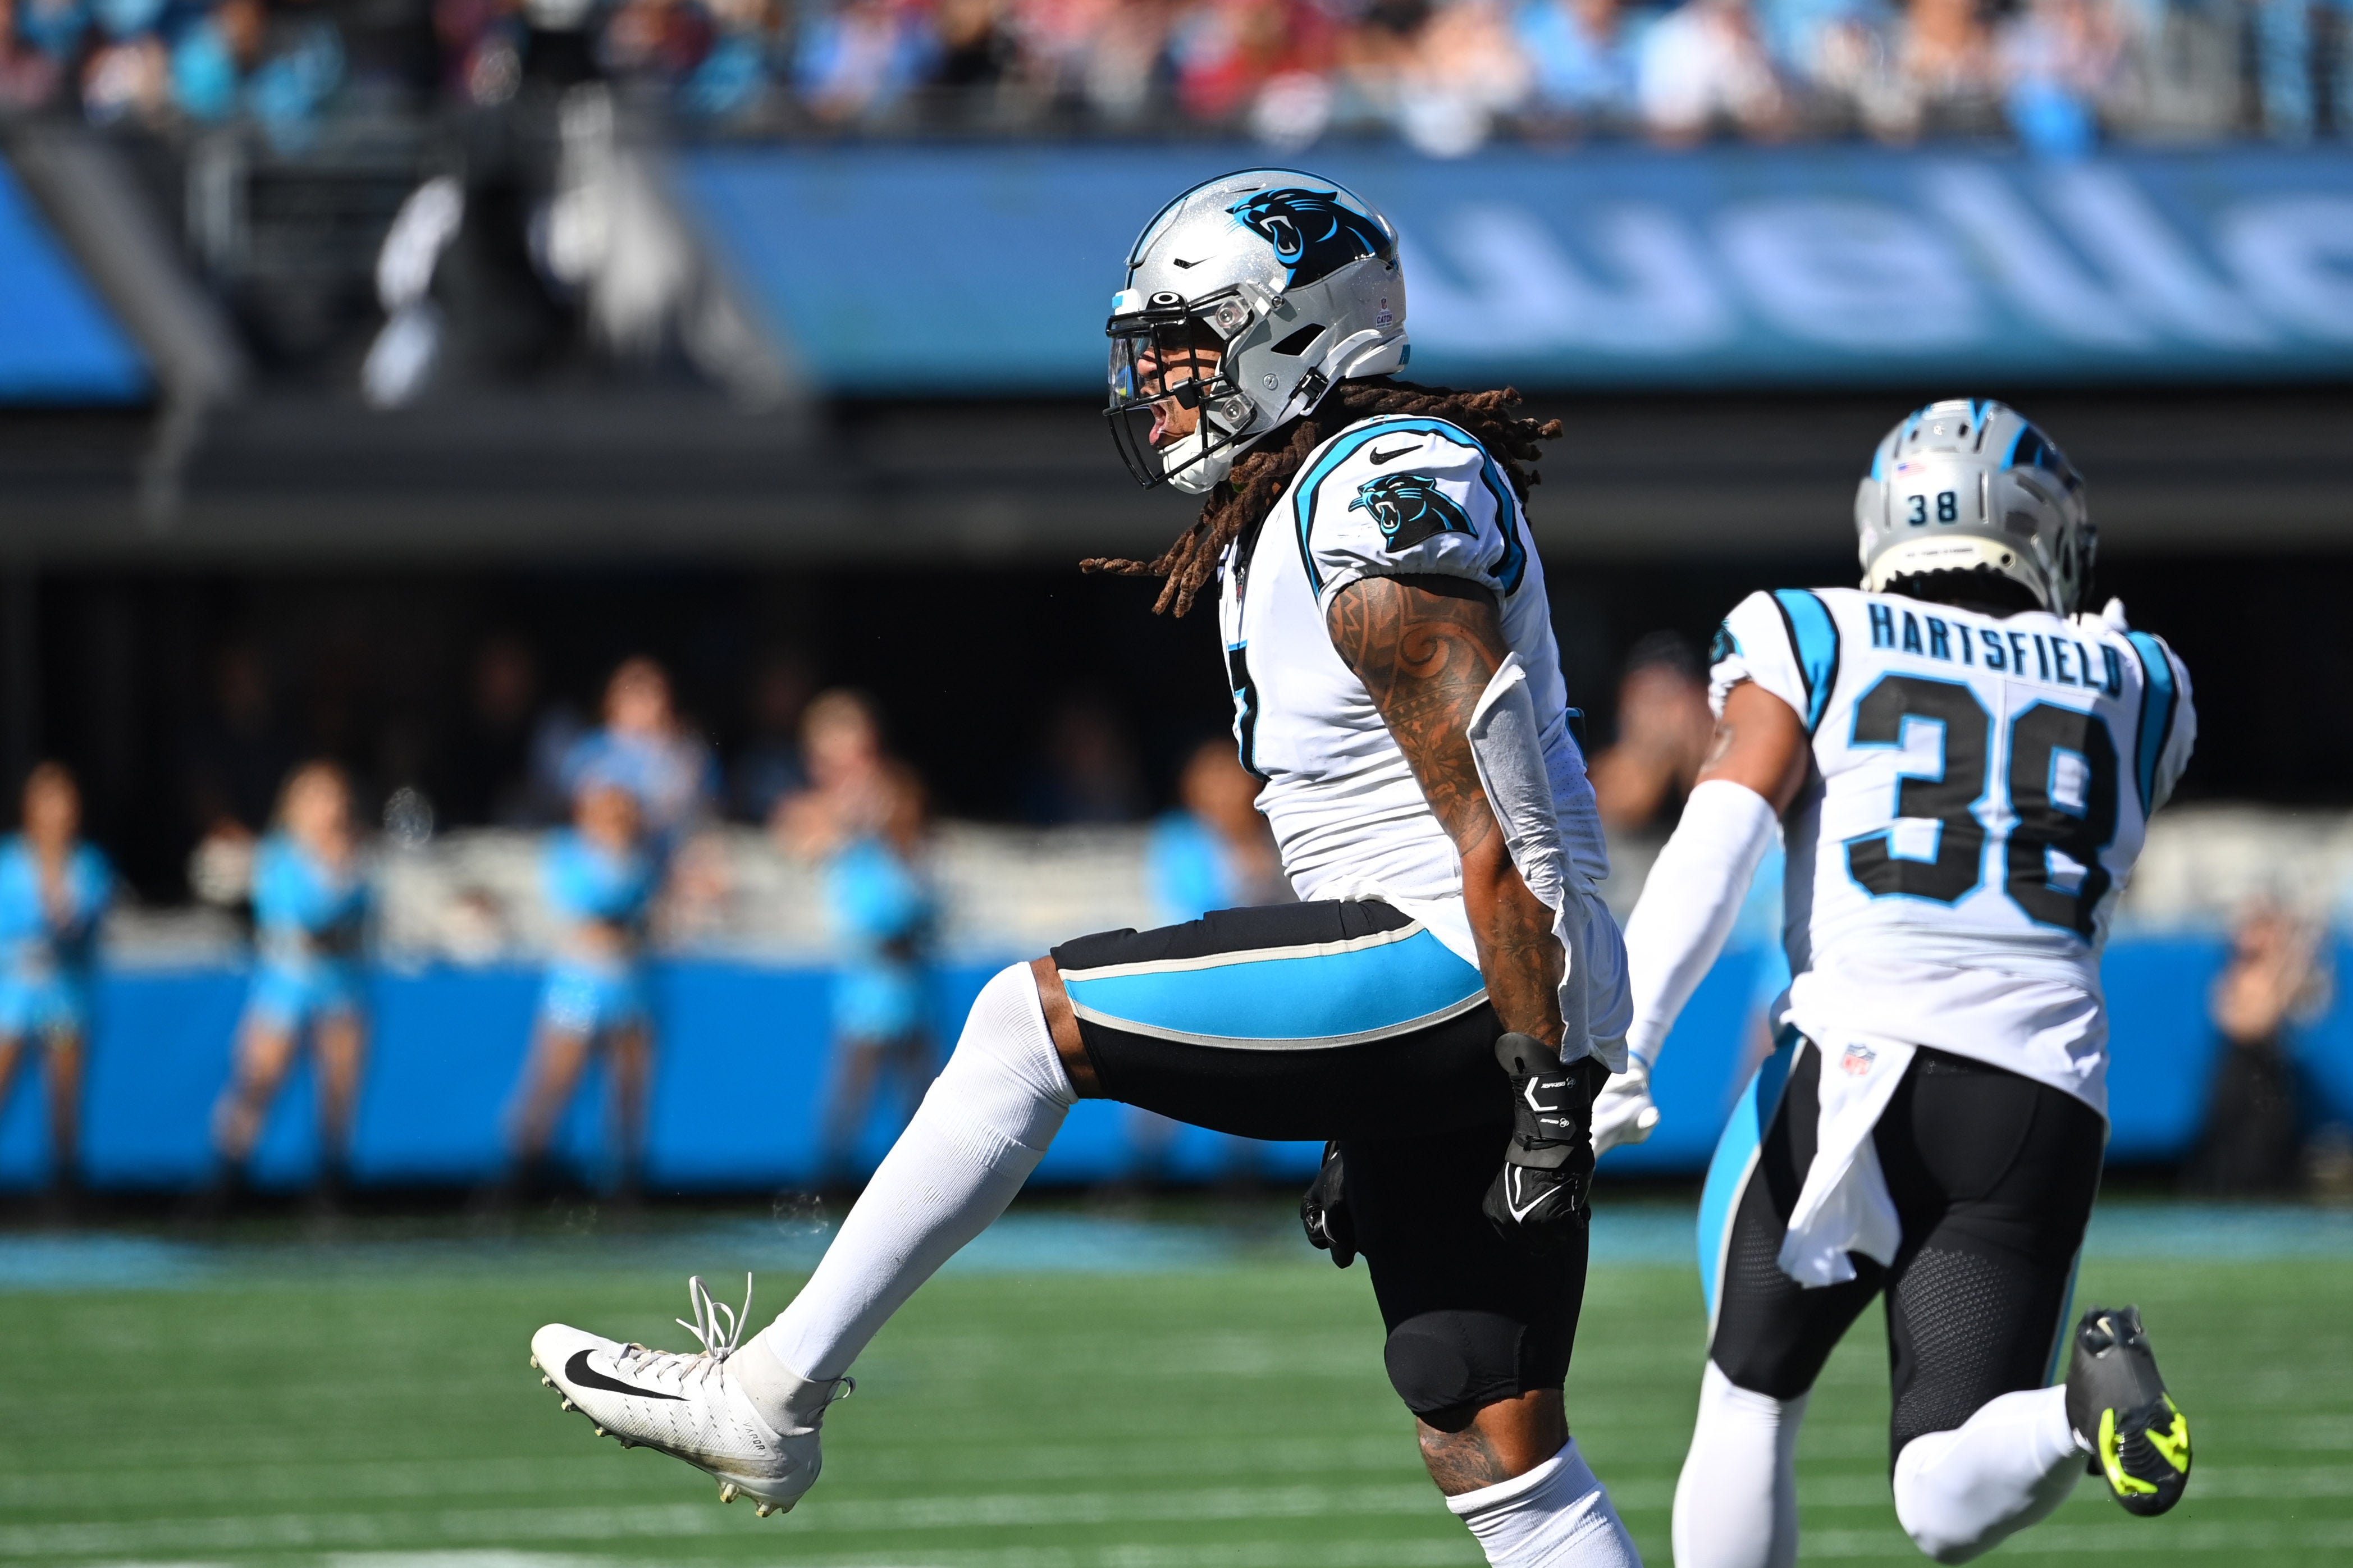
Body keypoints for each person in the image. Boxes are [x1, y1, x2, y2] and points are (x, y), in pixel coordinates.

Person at [531, 168, 1642, 1567]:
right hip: (1475, 979)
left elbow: (1499, 817)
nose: (1162, 390)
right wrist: (1430, 1081)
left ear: (1293, 335)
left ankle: (770, 1394)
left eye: (1187, 350)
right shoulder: (1294, 497)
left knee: (1028, 1019)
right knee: (1489, 1436)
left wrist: (1545, 1071)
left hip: (1473, 963)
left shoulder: (1379, 484)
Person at [1592, 400, 2197, 1567]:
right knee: (1940, 1494)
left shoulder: (1814, 630)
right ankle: (2078, 1412)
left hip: (1855, 1063)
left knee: (1748, 1392)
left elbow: (1719, 836)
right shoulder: (2143, 678)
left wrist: (1629, 1034)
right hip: (2038, 1094)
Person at [774, 692, 938, 1190]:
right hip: (866, 969)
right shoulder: (823, 810)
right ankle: (826, 1183)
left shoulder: (896, 796)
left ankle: (930, 1185)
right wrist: (850, 816)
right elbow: (798, 838)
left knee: (920, 1087)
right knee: (855, 1081)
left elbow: (917, 839)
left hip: (905, 967)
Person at [210, 761, 370, 1204]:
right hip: (284, 990)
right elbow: (305, 920)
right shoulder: (279, 859)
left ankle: (330, 1193)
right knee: (257, 1081)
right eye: (316, 796)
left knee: (337, 1094)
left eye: (333, 795)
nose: (328, 807)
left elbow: (357, 920)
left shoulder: (355, 858)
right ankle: (220, 1188)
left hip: (340, 988)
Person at [501, 776, 659, 1198]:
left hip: (628, 987)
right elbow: (585, 922)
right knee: (552, 1082)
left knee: (628, 1092)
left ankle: (623, 1184)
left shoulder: (641, 862)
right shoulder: (570, 856)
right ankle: (516, 1178)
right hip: (577, 988)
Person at [0, 764, 113, 1206]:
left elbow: (79, 923)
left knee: (63, 1098)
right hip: (12, 992)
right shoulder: (8, 862)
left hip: (65, 994)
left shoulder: (88, 865)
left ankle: (63, 1194)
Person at [2184, 902, 2327, 1197]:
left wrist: (2293, 956)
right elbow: (2234, 1020)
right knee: (2228, 1132)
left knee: (2266, 1135)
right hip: (2239, 1060)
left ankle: (2266, 1188)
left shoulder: (2279, 974)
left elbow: (2292, 1008)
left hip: (2266, 1061)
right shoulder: (2235, 972)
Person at [561, 656, 716, 854]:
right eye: (634, 694)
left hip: (677, 853)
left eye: (652, 694)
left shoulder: (689, 753)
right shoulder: (591, 750)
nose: (644, 705)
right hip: (604, 854)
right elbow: (570, 806)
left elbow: (711, 805)